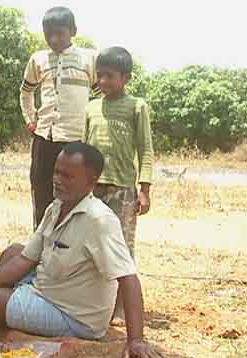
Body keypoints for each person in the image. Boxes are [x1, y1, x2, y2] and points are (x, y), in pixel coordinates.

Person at [0, 143, 164, 358]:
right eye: (57, 172)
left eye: (68, 176)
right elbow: (25, 259)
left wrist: (136, 339)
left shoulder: (100, 221)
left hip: (72, 315)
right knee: (12, 253)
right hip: (50, 287)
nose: (58, 180)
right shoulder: (56, 207)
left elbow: (128, 278)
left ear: (91, 183)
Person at [83, 46, 154, 326]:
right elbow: (83, 150)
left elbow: (145, 149)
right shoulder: (91, 107)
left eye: (109, 76)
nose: (102, 82)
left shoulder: (137, 107)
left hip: (122, 189)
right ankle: (95, 303)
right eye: (99, 76)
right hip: (92, 189)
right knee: (91, 244)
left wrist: (145, 189)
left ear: (125, 78)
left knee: (122, 248)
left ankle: (122, 307)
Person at [20, 6, 98, 229]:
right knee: (42, 192)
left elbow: (101, 96)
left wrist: (93, 127)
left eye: (59, 33)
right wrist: (30, 119)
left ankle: (70, 248)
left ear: (73, 31)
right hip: (45, 138)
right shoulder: (38, 59)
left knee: (75, 195)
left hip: (76, 140)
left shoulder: (89, 59)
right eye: (48, 34)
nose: (53, 39)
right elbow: (26, 91)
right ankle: (40, 245)